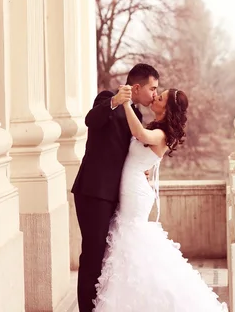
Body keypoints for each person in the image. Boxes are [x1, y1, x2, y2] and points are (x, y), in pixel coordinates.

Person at [93, 87, 227, 311]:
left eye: (161, 97)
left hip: (135, 192)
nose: (155, 97)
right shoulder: (154, 127)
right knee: (127, 238)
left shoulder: (162, 133)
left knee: (132, 237)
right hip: (133, 184)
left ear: (168, 108)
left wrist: (125, 103)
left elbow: (141, 136)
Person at [71, 63, 160, 312]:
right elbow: (91, 120)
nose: (154, 94)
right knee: (92, 254)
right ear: (137, 87)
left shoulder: (138, 116)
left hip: (117, 195)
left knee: (107, 256)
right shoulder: (107, 98)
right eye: (153, 88)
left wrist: (139, 167)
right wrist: (115, 102)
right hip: (94, 191)